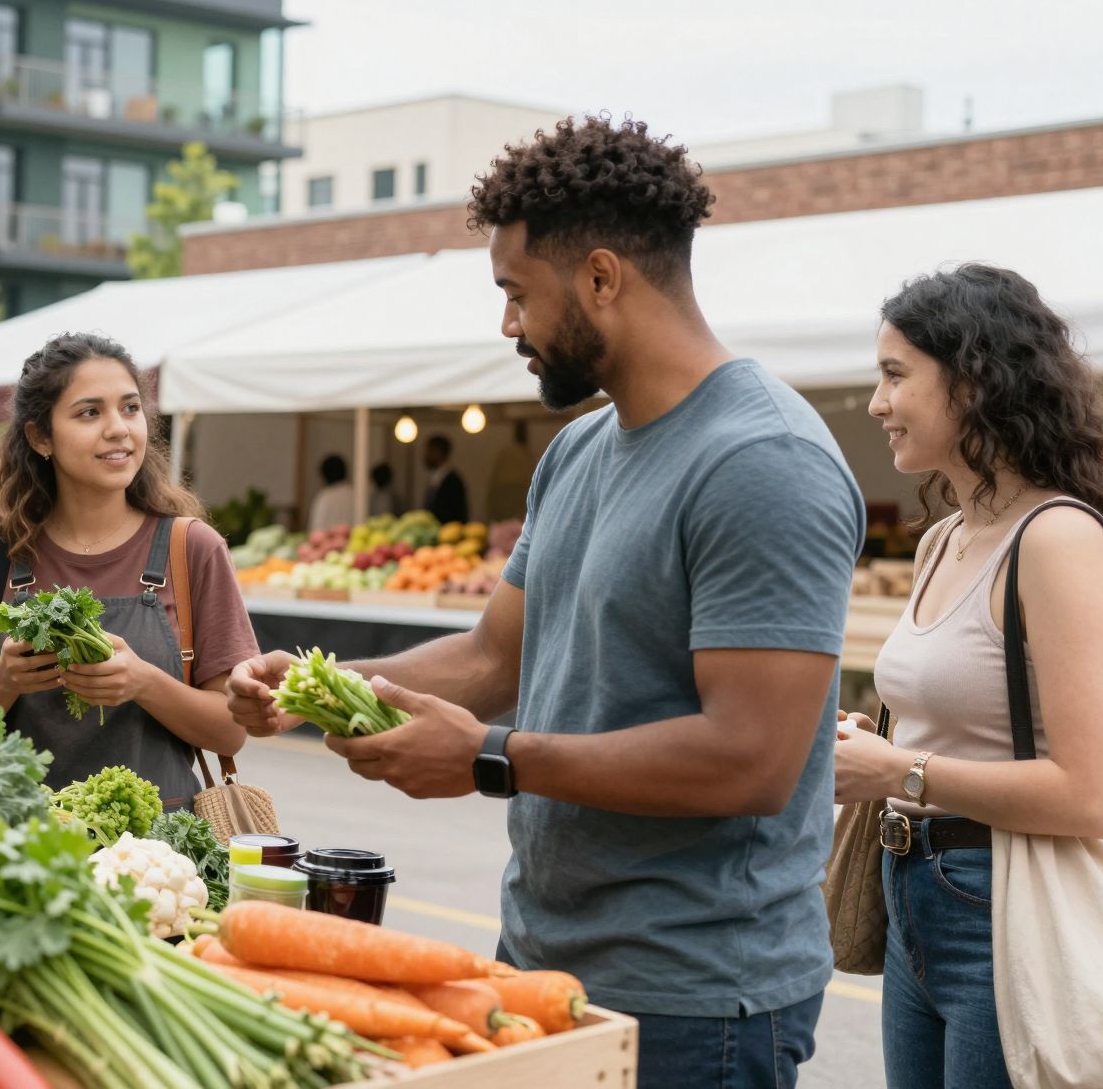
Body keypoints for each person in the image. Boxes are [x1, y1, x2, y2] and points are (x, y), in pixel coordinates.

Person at [229, 116, 864, 1089]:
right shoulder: (576, 451)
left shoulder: (759, 460)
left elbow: (752, 760)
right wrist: (317, 686)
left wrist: (487, 760)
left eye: (514, 294)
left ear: (600, 278)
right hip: (542, 952)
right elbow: (494, 658)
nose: (506, 326)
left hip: (696, 997)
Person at [836, 265, 1103, 1089]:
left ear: (973, 381)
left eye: (895, 376)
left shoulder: (1057, 539)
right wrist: (877, 744)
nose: (876, 403)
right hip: (909, 890)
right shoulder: (943, 540)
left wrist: (901, 771)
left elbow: (1094, 794)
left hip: (1005, 905)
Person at [0, 333, 252, 805]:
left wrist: (143, 681)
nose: (118, 429)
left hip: (160, 860)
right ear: (40, 437)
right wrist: (4, 680)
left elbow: (231, 732)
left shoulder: (191, 548)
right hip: (19, 848)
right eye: (89, 412)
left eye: (130, 408)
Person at [423, 436, 470, 524]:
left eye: (429, 451)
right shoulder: (436, 478)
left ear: (438, 452)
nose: (425, 455)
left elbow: (456, 513)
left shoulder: (453, 481)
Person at [307, 454, 355, 532]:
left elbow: (316, 529)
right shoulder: (355, 495)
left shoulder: (324, 497)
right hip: (355, 542)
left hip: (327, 542)